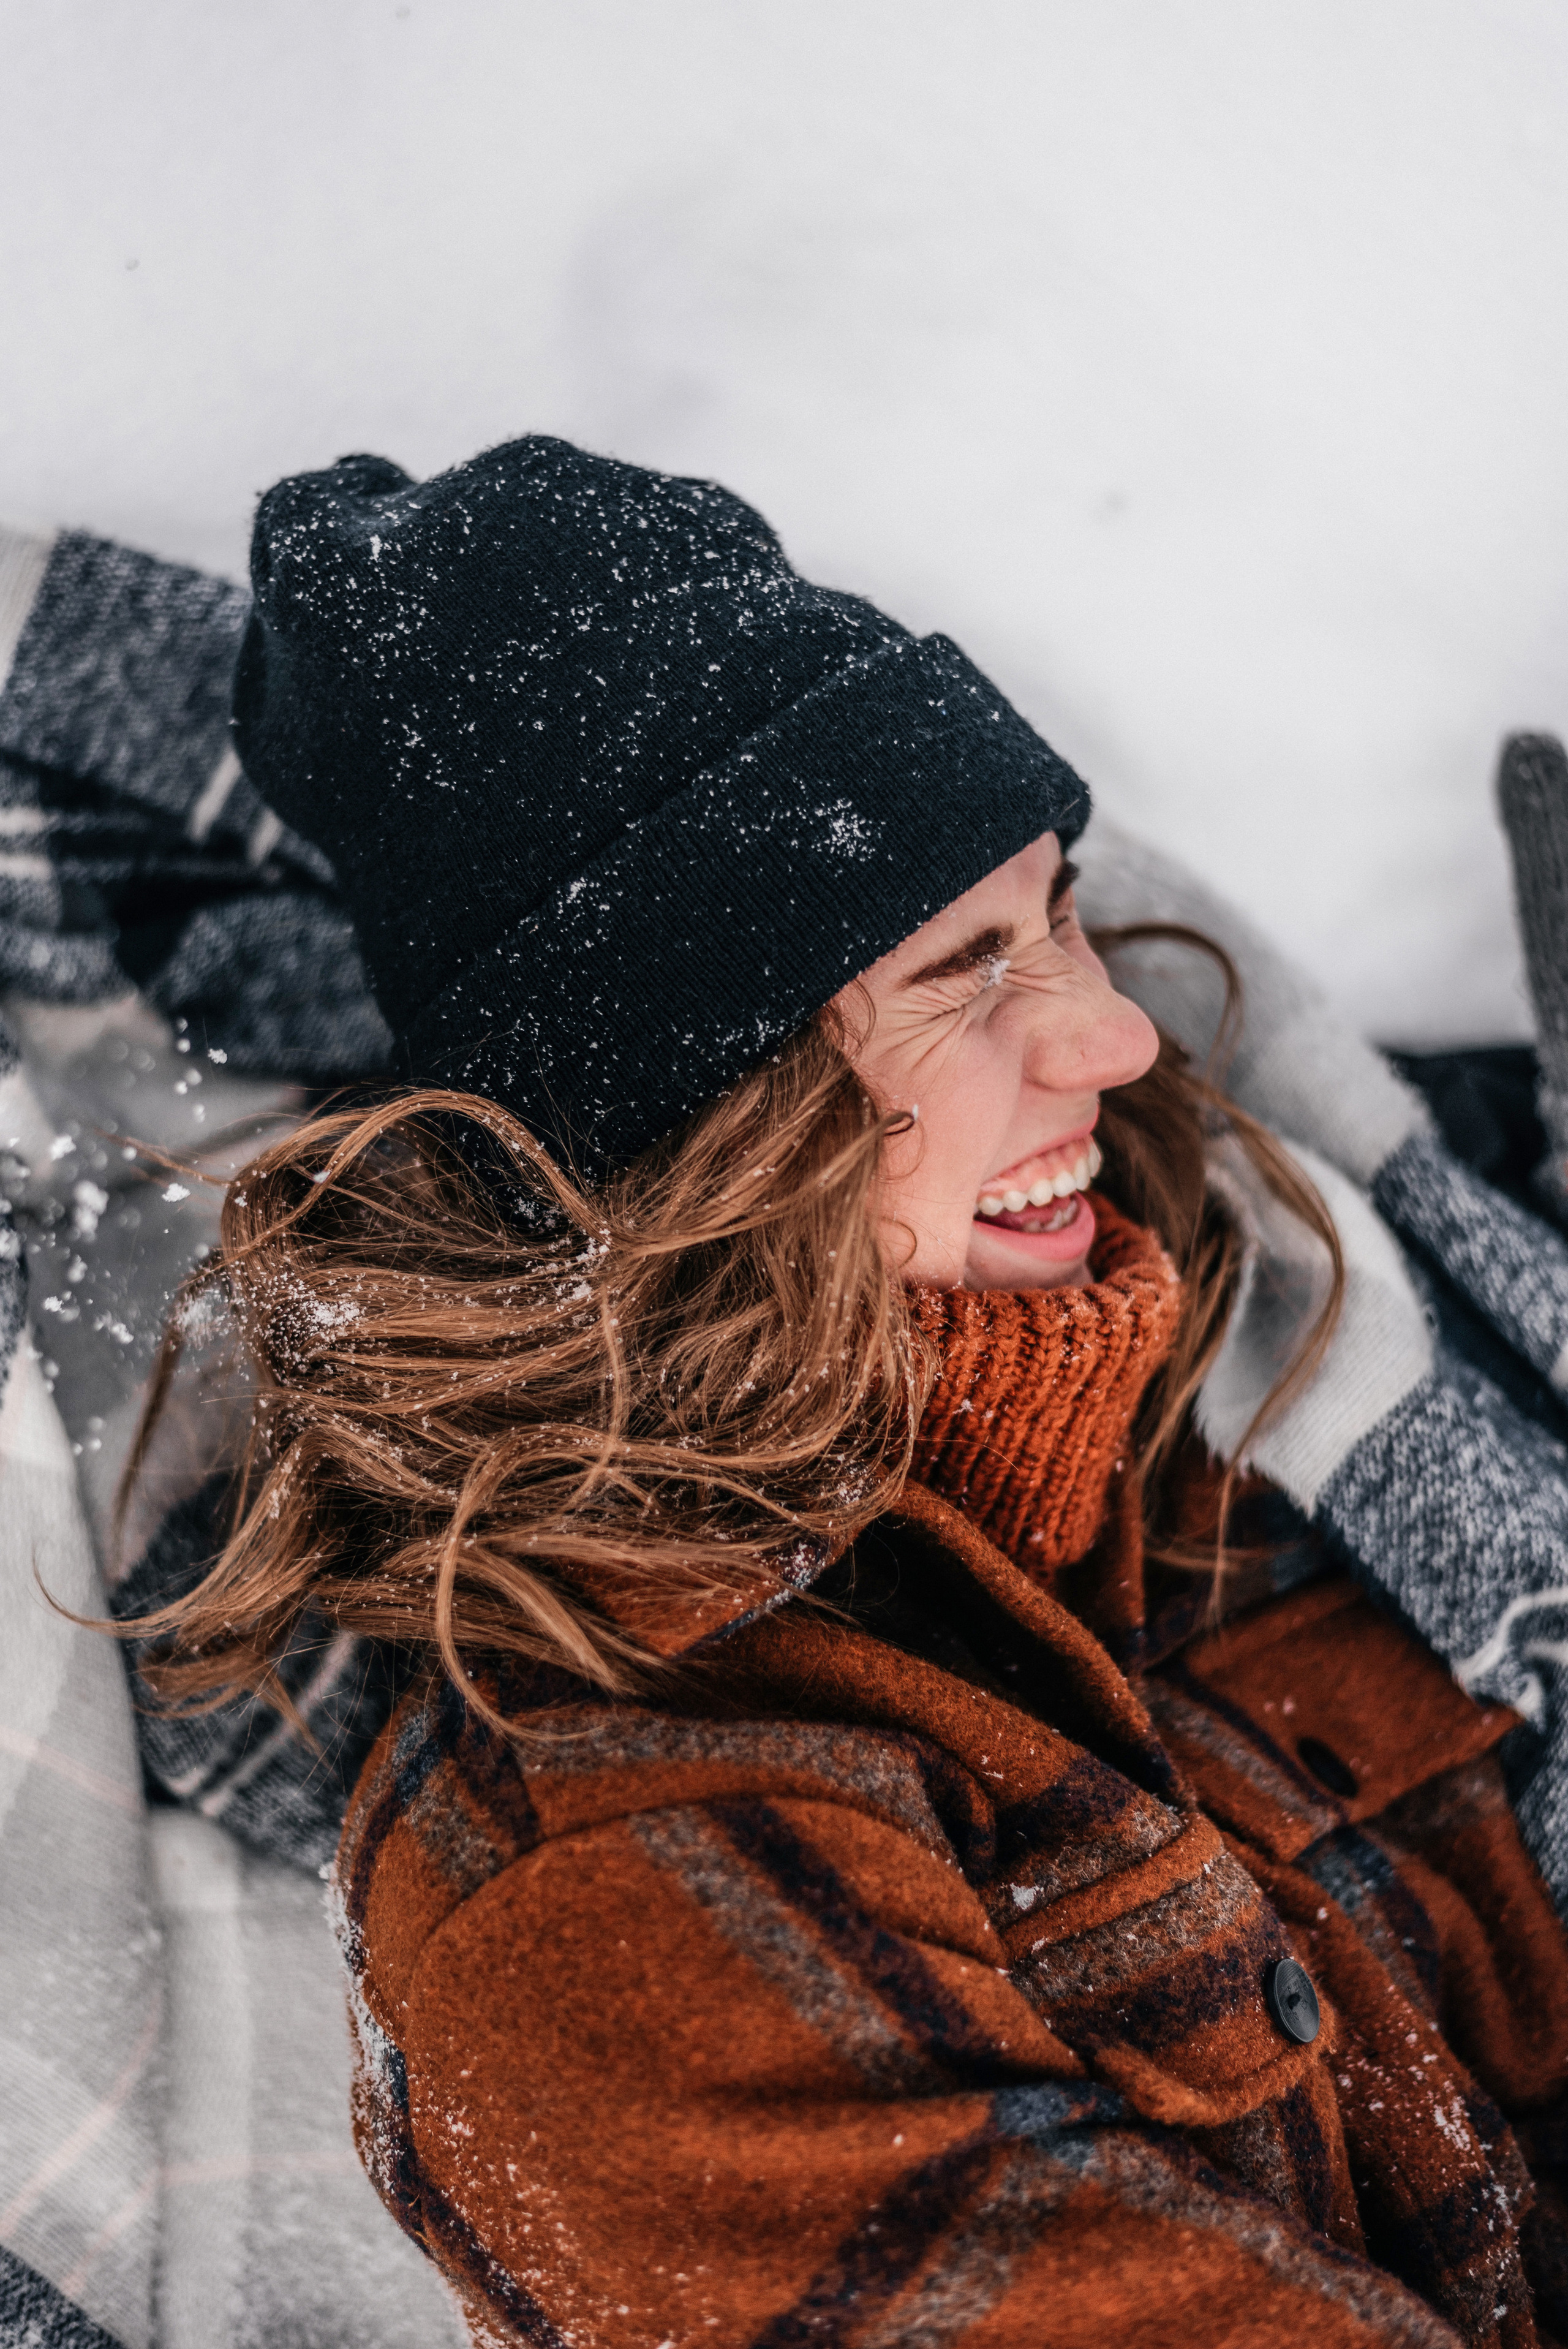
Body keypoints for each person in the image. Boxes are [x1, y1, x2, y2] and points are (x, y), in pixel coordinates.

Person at [125, 437, 1568, 2347]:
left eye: (1056, 908)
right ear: (714, 1117)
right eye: (963, 973)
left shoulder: (1247, 1355)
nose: (1116, 1030)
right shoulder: (612, 1894)